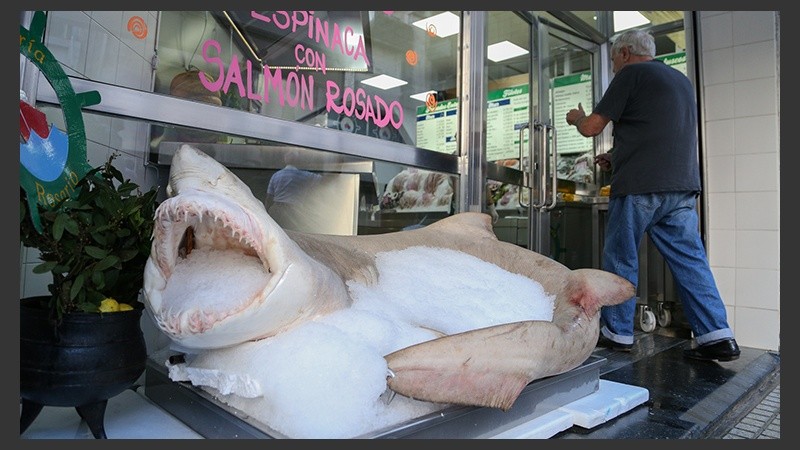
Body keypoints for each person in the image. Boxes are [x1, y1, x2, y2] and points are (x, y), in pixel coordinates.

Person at [565, 29, 739, 362]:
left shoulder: (631, 74)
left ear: (625, 53)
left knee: (621, 258)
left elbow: (591, 127)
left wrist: (577, 118)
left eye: (613, 59)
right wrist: (615, 156)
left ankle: (618, 332)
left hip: (639, 186)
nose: (613, 66)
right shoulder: (680, 81)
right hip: (681, 188)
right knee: (691, 261)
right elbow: (657, 133)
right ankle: (717, 336)